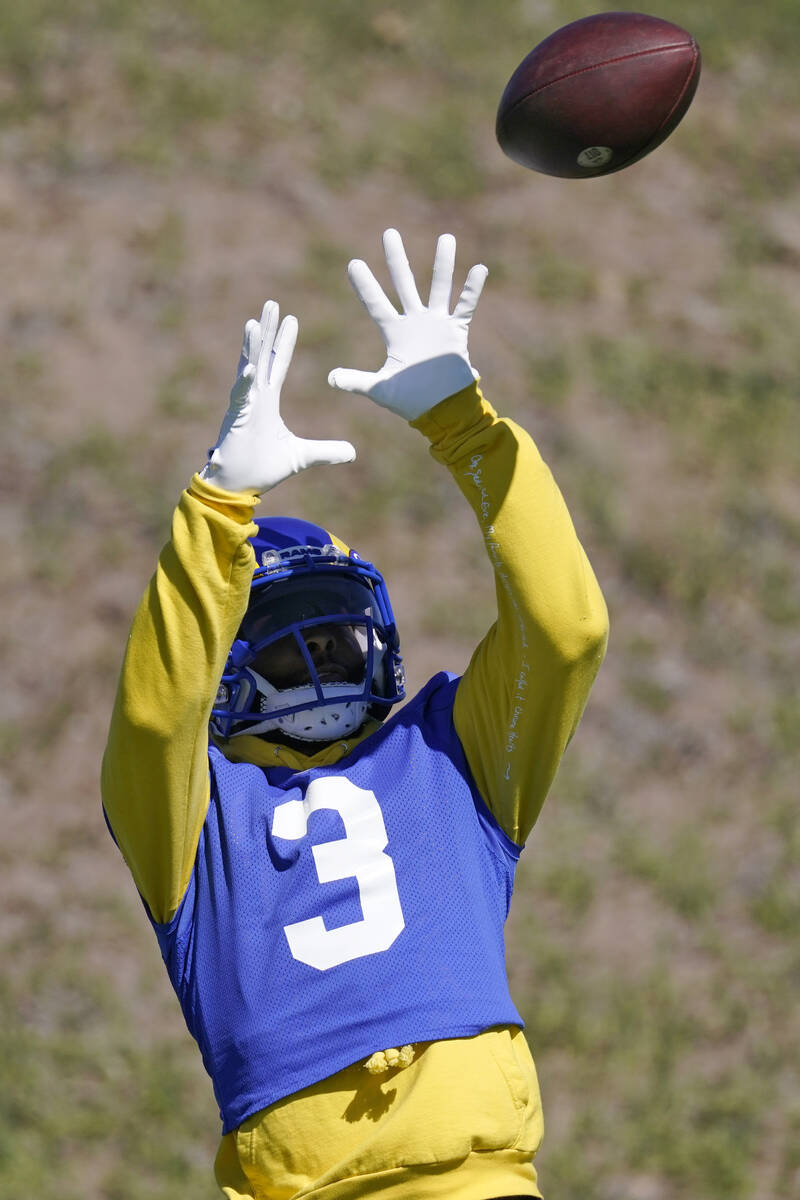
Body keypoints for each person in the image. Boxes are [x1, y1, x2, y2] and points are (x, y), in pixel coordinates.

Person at [102, 228, 608, 1200]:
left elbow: (565, 629)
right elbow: (159, 717)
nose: (325, 654)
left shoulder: (447, 752)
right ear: (220, 652)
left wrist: (467, 424)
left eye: (337, 631)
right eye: (291, 632)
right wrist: (217, 506)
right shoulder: (195, 816)